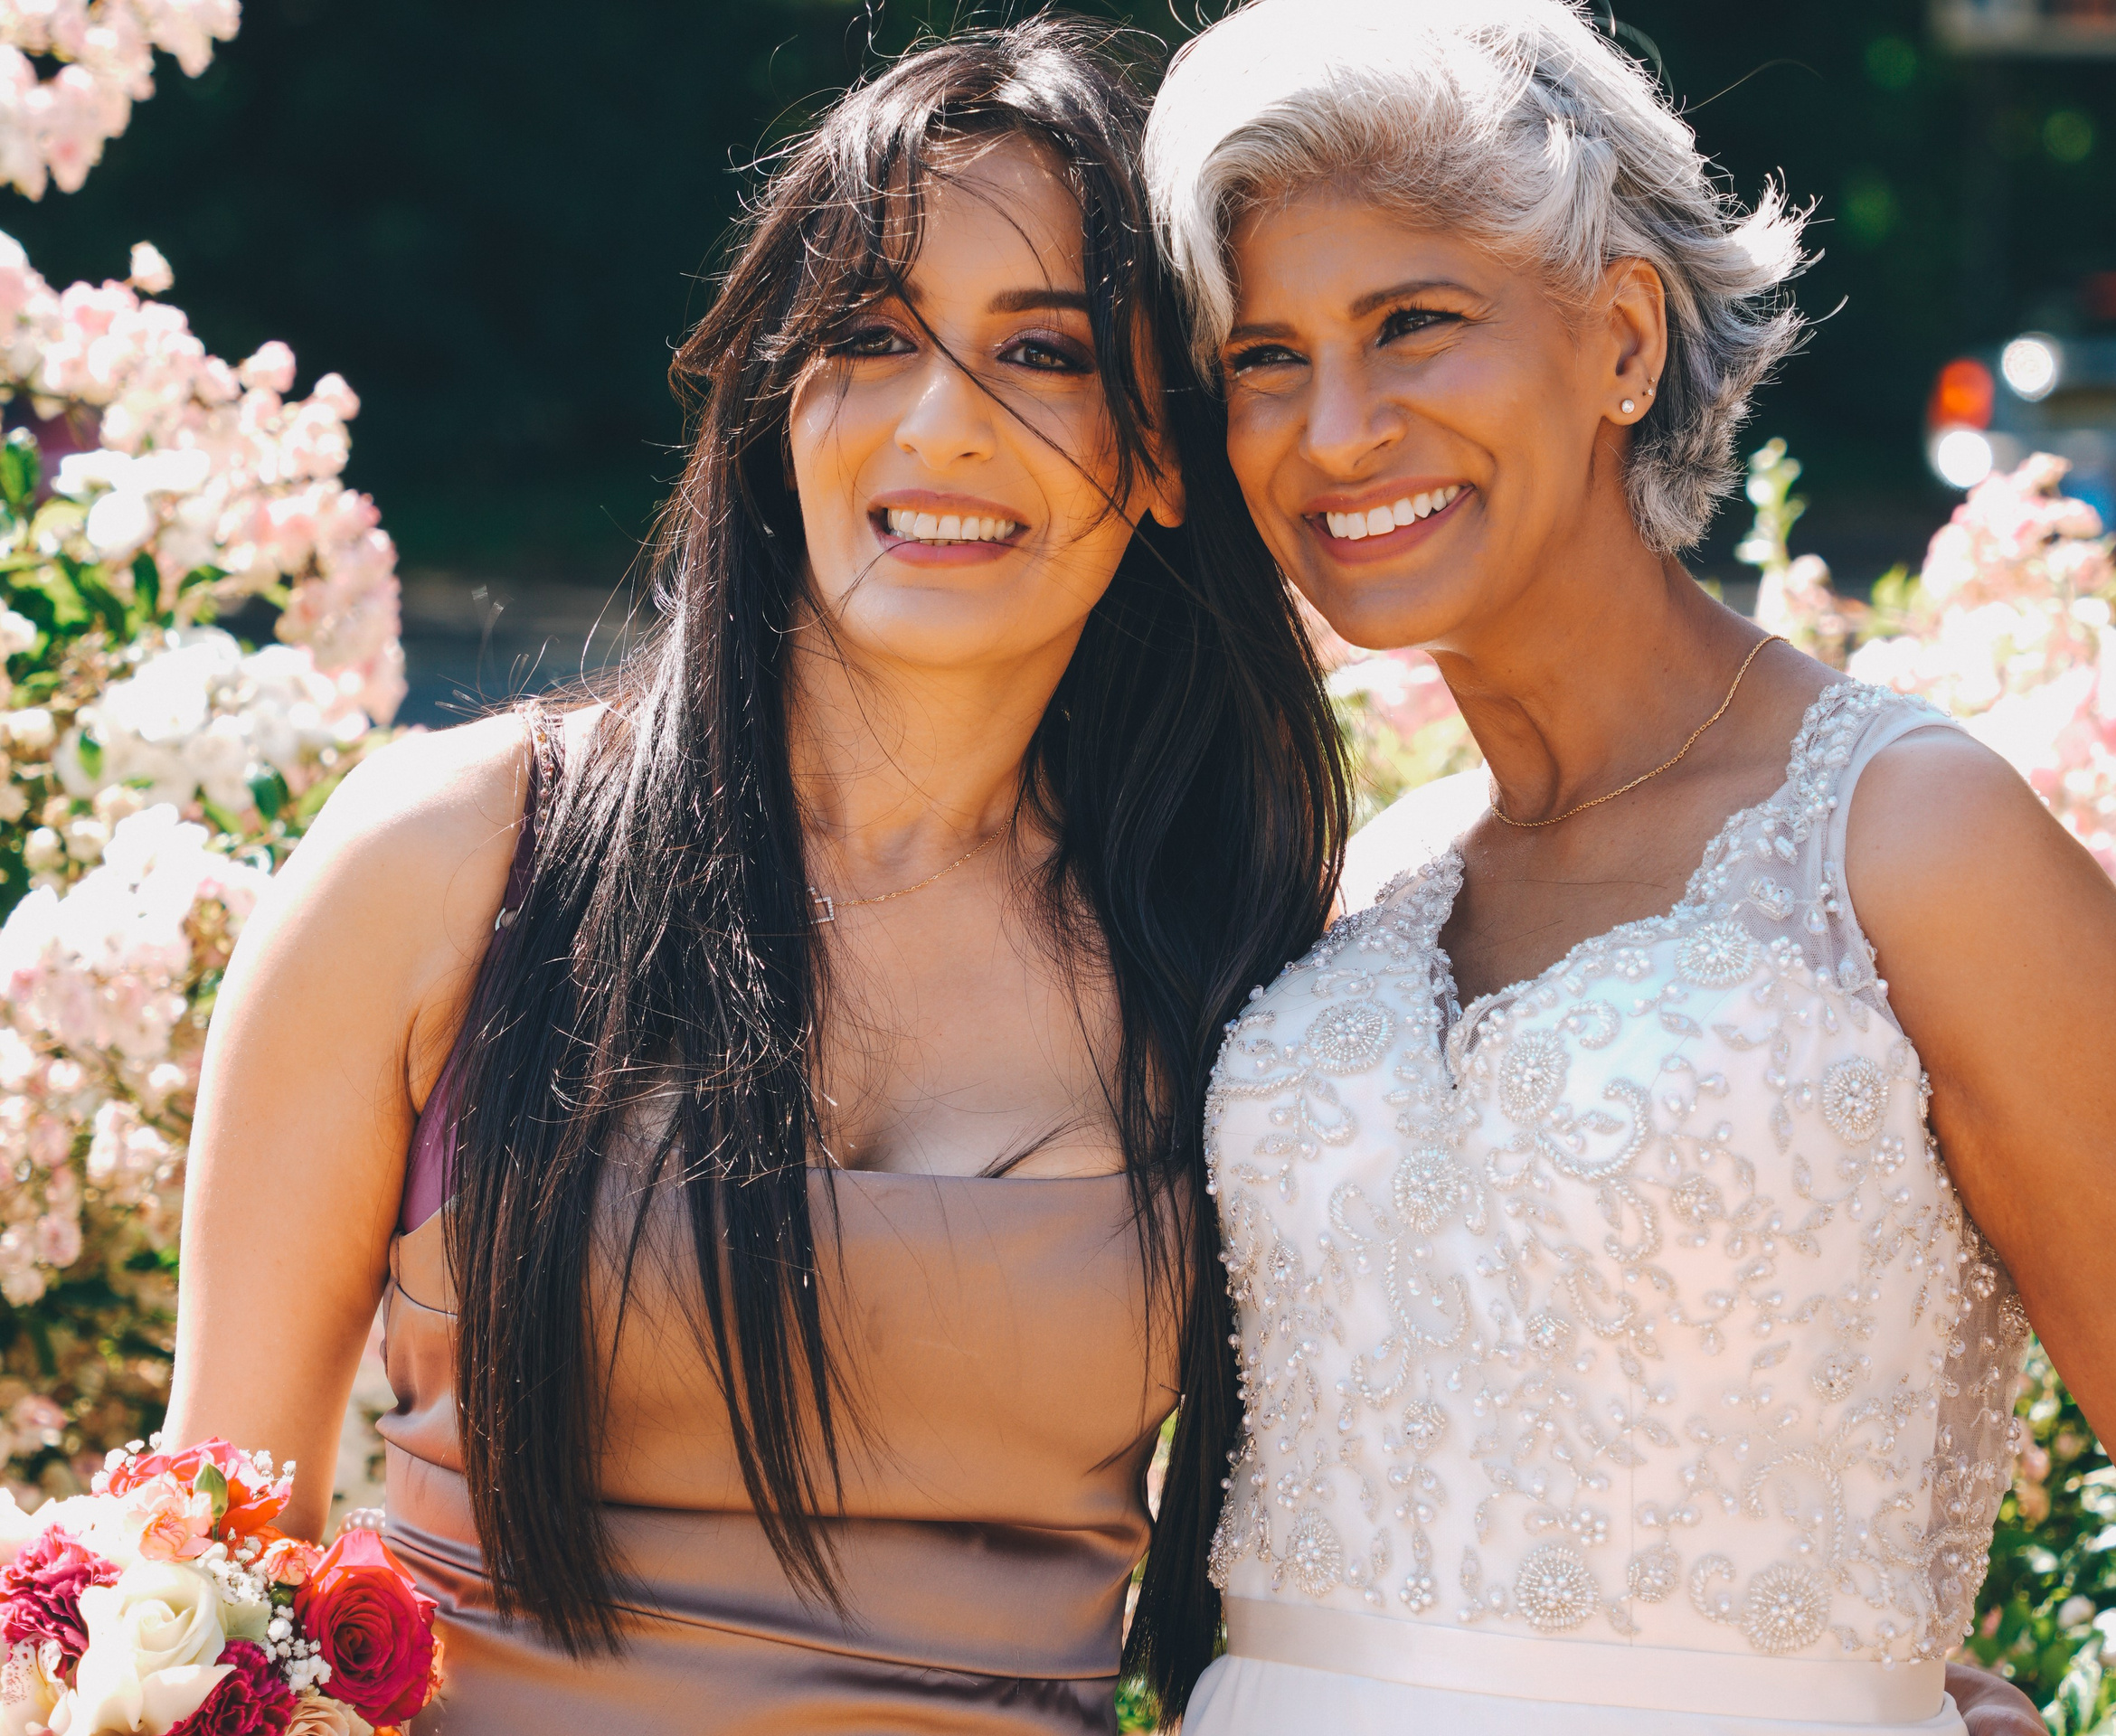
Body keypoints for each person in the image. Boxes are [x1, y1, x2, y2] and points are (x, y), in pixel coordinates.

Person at [1142, 3, 2116, 1733]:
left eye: (1415, 325)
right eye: (1263, 357)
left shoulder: (1920, 843)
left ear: (1620, 339)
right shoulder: (1362, 887)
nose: (1335, 430)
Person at [162, 21, 1345, 1732]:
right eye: (870, 336)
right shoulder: (442, 861)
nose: (941, 422)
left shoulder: (1240, 952)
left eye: (1045, 350)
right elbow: (203, 1555)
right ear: (781, 406)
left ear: (1167, 455)